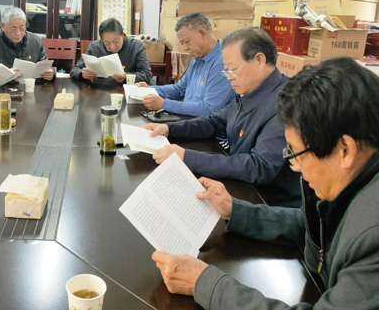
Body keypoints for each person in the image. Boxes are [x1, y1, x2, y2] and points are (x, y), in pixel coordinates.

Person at [152, 57, 379, 309]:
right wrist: (235, 210)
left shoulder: (373, 236)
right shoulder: (352, 181)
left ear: (345, 150)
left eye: (296, 154)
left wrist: (205, 284)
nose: (295, 167)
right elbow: (313, 226)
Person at [145, 27, 299, 207]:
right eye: (227, 71)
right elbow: (215, 122)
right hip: (242, 185)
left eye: (233, 70)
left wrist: (187, 157)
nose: (229, 78)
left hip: (267, 204)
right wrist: (169, 129)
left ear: (259, 60)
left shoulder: (286, 104)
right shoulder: (250, 90)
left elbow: (259, 166)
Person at [136, 13, 234, 116]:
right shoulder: (198, 57)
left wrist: (164, 104)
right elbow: (180, 89)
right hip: (189, 120)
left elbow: (209, 109)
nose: (185, 48)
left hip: (205, 123)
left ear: (203, 34)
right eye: (182, 44)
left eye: (187, 42)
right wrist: (150, 90)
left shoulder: (223, 62)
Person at [0, 6, 54, 81]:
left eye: (21, 28)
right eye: (13, 28)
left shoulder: (36, 41)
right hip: (2, 86)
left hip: (29, 85)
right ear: (2, 26)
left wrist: (51, 73)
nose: (18, 33)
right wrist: (5, 75)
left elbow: (46, 65)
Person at [70, 18, 152, 85]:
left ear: (122, 35)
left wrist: (126, 77)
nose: (112, 46)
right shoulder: (94, 47)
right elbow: (74, 71)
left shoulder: (136, 46)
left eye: (116, 40)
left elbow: (147, 74)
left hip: (125, 91)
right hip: (99, 91)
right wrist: (82, 74)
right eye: (107, 42)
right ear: (102, 39)